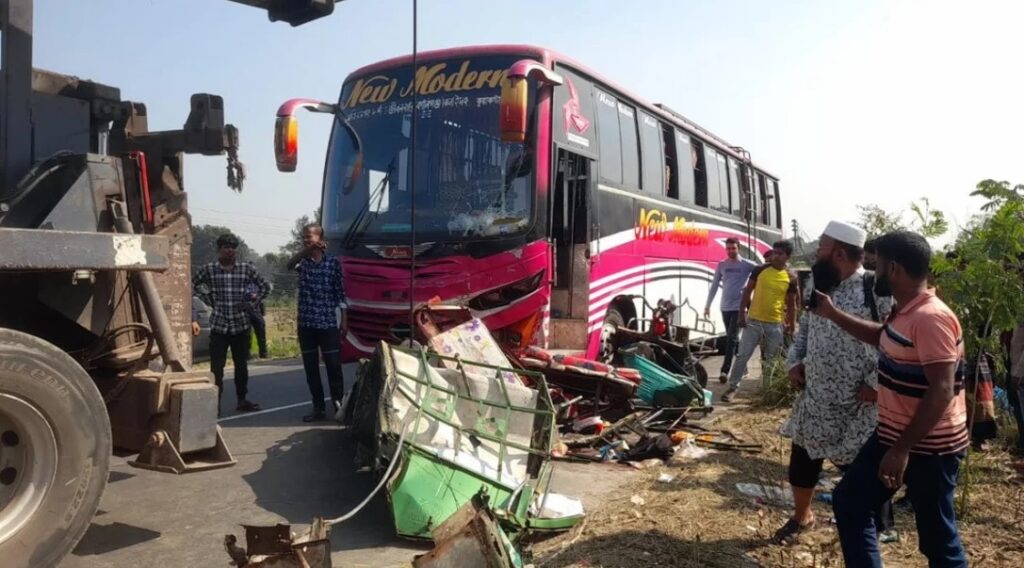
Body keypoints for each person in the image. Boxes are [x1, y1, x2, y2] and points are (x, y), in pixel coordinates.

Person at [815, 231, 968, 568]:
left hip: (930, 448)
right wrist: (833, 314)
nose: (874, 271)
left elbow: (942, 389)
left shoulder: (931, 318)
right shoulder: (905, 312)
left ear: (894, 268)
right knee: (850, 502)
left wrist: (901, 450)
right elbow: (884, 338)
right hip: (893, 436)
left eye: (878, 265)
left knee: (938, 541)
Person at [774, 221, 897, 545]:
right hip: (816, 398)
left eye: (823, 248)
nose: (817, 253)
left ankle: (877, 528)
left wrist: (876, 385)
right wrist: (794, 361)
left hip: (859, 403)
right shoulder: (819, 284)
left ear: (840, 253)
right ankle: (802, 517)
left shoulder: (875, 288)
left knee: (862, 469)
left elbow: (894, 340)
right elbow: (805, 329)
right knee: (803, 460)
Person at [192, 233, 270, 414]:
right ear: (219, 249)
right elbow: (192, 285)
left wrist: (252, 303)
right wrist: (207, 298)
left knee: (241, 366)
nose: (229, 251)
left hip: (240, 324)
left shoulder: (245, 269)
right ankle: (215, 403)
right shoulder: (209, 269)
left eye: (233, 248)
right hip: (219, 325)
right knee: (216, 368)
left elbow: (265, 286)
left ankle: (242, 399)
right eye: (226, 247)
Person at [722, 240, 798, 402]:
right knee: (742, 355)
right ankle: (732, 388)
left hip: (775, 325)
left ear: (788, 256)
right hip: (753, 322)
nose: (775, 256)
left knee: (771, 360)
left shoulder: (791, 277)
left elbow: (792, 304)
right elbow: (747, 292)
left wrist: (792, 325)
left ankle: (768, 391)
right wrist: (741, 315)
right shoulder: (760, 270)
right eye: (774, 252)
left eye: (780, 254)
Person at [287, 223, 346, 423]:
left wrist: (344, 320)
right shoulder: (302, 263)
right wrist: (307, 250)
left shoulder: (332, 263)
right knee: (311, 369)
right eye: (304, 237)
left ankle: (339, 405)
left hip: (328, 323)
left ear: (320, 239)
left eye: (309, 237)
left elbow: (340, 293)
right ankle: (318, 408)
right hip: (306, 324)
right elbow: (289, 264)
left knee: (334, 366)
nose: (305, 239)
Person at [704, 237, 758, 383]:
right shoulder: (722, 265)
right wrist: (707, 305)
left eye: (733, 248)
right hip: (725, 307)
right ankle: (743, 367)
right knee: (733, 339)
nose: (730, 251)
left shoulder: (747, 265)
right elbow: (714, 286)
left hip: (739, 308)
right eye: (728, 248)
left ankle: (725, 371)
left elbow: (761, 272)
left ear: (738, 248)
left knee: (731, 339)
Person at [247, 281, 269, 359]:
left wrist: (257, 296)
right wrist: (249, 296)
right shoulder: (241, 281)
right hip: (245, 309)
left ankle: (263, 353)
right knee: (247, 333)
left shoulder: (258, 282)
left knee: (261, 330)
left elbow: (266, 290)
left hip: (256, 309)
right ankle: (247, 354)